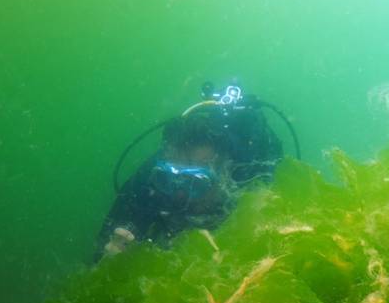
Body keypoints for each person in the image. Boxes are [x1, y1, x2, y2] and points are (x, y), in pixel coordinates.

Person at [98, 82, 287, 258]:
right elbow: (102, 249)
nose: (179, 195)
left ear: (224, 175)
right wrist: (115, 255)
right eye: (168, 180)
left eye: (196, 183)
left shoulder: (250, 186)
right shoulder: (149, 181)